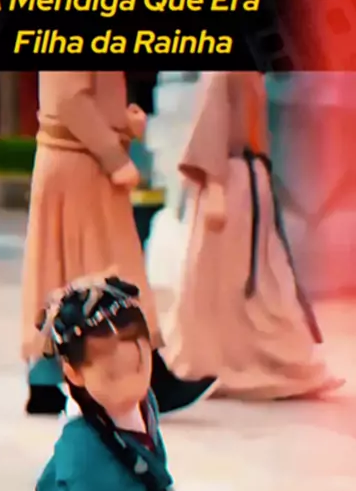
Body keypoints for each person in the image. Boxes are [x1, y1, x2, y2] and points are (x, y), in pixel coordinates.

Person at [28, 274, 282, 491]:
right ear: (74, 373)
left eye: (140, 366)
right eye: (113, 375)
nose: (132, 385)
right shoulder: (81, 448)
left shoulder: (142, 404)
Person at [21, 71, 216, 415]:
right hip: (82, 164)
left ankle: (45, 380)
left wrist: (120, 124)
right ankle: (147, 373)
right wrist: (115, 156)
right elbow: (70, 100)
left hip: (78, 161)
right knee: (110, 267)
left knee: (62, 266)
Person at [161, 71, 345, 400]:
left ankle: (272, 362)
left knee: (258, 282)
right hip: (232, 186)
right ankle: (225, 364)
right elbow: (212, 121)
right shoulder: (223, 72)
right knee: (227, 283)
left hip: (246, 184)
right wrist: (215, 184)